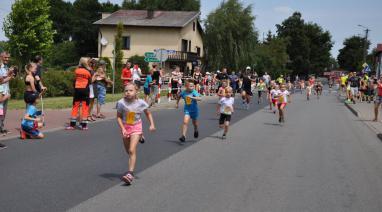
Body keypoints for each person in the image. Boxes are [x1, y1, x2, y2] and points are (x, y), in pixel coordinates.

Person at [117, 83, 156, 185]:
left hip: (136, 126)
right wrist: (123, 129)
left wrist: (152, 124)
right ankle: (140, 136)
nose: (128, 92)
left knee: (131, 150)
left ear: (136, 92)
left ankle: (130, 174)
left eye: (130, 90)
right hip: (126, 127)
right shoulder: (121, 103)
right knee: (128, 152)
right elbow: (119, 117)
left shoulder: (141, 103)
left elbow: (148, 113)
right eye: (126, 91)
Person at [66, 58, 92, 130]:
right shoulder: (88, 71)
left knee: (75, 107)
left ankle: (72, 125)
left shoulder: (77, 70)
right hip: (85, 90)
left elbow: (75, 79)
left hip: (77, 90)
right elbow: (90, 81)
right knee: (85, 107)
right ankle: (84, 126)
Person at [0, 51, 13, 135]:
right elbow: (1, 81)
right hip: (1, 93)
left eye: (8, 57)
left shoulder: (6, 66)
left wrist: (10, 74)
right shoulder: (0, 67)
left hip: (5, 91)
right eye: (5, 57)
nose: (7, 59)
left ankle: (1, 128)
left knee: (3, 112)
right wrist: (9, 76)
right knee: (0, 112)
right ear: (1, 57)